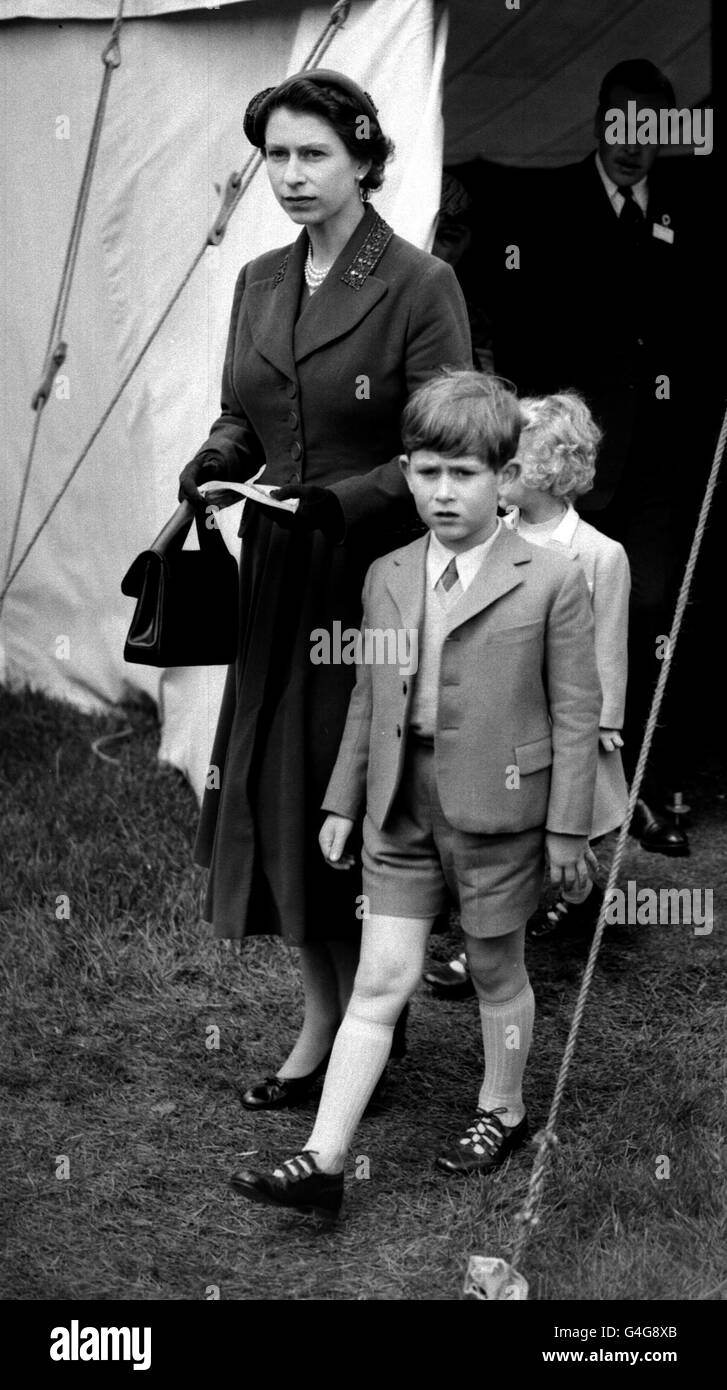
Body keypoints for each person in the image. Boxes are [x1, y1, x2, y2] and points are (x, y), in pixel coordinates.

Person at [229, 369, 601, 1214]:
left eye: (463, 474)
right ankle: (322, 1162)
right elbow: (369, 694)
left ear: (504, 479)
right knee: (380, 980)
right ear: (406, 471)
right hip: (400, 803)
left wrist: (566, 831)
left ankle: (500, 1109)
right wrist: (341, 799)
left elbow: (578, 715)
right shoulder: (388, 573)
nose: (441, 492)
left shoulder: (550, 580)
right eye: (425, 471)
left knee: (496, 969)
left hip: (502, 811)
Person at [176, 71, 473, 1107]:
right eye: (277, 155)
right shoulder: (258, 278)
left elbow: (446, 449)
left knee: (345, 801)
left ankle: (369, 1020)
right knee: (272, 795)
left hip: (368, 585)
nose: (292, 175)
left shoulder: (418, 283)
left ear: (362, 160)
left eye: (314, 154)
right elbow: (242, 411)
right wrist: (212, 460)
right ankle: (323, 1015)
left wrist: (339, 503)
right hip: (273, 580)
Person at [486, 60, 697, 856]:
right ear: (599, 123)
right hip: (569, 461)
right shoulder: (543, 210)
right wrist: (536, 441)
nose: (634, 146)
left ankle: (652, 785)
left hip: (661, 467)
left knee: (650, 616)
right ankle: (545, 797)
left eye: (651, 130)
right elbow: (521, 337)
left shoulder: (692, 211)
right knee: (547, 619)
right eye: (621, 127)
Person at [425, 392, 629, 1000]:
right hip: (504, 711)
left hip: (566, 714)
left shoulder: (598, 554)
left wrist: (605, 717)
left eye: (507, 459)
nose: (493, 470)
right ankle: (485, 944)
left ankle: (572, 890)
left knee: (562, 825)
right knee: (500, 830)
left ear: (542, 469)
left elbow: (609, 644)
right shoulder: (490, 538)